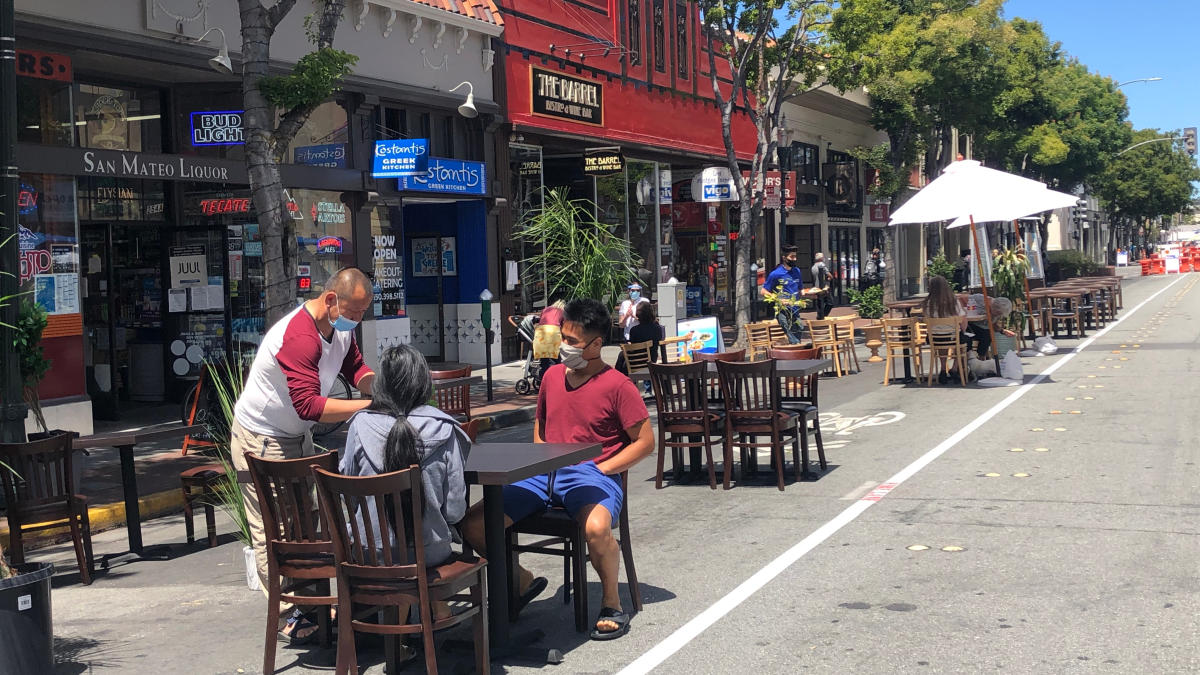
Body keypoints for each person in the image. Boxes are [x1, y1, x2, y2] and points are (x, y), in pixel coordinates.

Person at [461, 299, 655, 641]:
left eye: (572, 341)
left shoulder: (618, 386)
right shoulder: (551, 376)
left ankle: (611, 602)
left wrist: (605, 467)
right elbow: (541, 424)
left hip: (591, 474)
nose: (563, 346)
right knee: (474, 526)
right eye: (562, 337)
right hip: (541, 473)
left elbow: (644, 441)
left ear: (596, 345)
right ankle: (519, 581)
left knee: (597, 529)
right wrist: (540, 455)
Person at [231, 267, 376, 640]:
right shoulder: (298, 336)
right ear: (331, 300)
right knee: (273, 530)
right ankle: (286, 616)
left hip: (295, 436)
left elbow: (355, 367)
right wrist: (366, 407)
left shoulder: (338, 328)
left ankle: (311, 607)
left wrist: (380, 388)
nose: (357, 320)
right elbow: (309, 405)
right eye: (354, 312)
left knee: (307, 525)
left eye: (362, 313)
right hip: (261, 437)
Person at [920, 275, 967, 384]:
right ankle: (955, 368)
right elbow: (962, 318)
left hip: (934, 338)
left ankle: (942, 369)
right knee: (964, 341)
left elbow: (925, 318)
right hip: (952, 335)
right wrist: (963, 331)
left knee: (942, 341)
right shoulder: (953, 301)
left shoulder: (927, 304)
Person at [761, 244, 808, 343]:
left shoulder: (797, 271)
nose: (794, 259)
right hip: (783, 310)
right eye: (792, 257)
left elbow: (800, 289)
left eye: (795, 256)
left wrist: (810, 293)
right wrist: (778, 299)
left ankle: (795, 353)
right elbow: (764, 291)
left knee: (800, 329)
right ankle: (795, 353)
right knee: (792, 336)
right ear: (784, 258)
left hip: (795, 309)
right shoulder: (776, 274)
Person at [810, 252, 834, 319]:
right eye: (823, 257)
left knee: (820, 302)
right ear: (821, 258)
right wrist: (829, 278)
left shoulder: (813, 266)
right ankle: (823, 315)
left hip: (816, 287)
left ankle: (819, 316)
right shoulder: (821, 264)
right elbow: (829, 275)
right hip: (823, 287)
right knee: (830, 302)